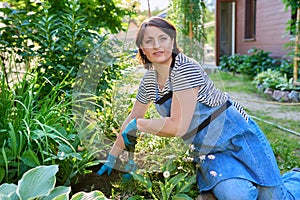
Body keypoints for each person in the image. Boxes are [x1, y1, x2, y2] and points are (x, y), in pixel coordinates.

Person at [97, 16, 300, 199]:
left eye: (163, 39)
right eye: (149, 41)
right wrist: (112, 157)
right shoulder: (149, 81)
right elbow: (132, 117)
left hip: (236, 135)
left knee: (275, 198)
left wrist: (139, 125)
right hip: (210, 149)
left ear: (173, 41)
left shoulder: (185, 68)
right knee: (238, 197)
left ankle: (296, 177)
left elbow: (178, 126)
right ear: (141, 46)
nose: (157, 46)